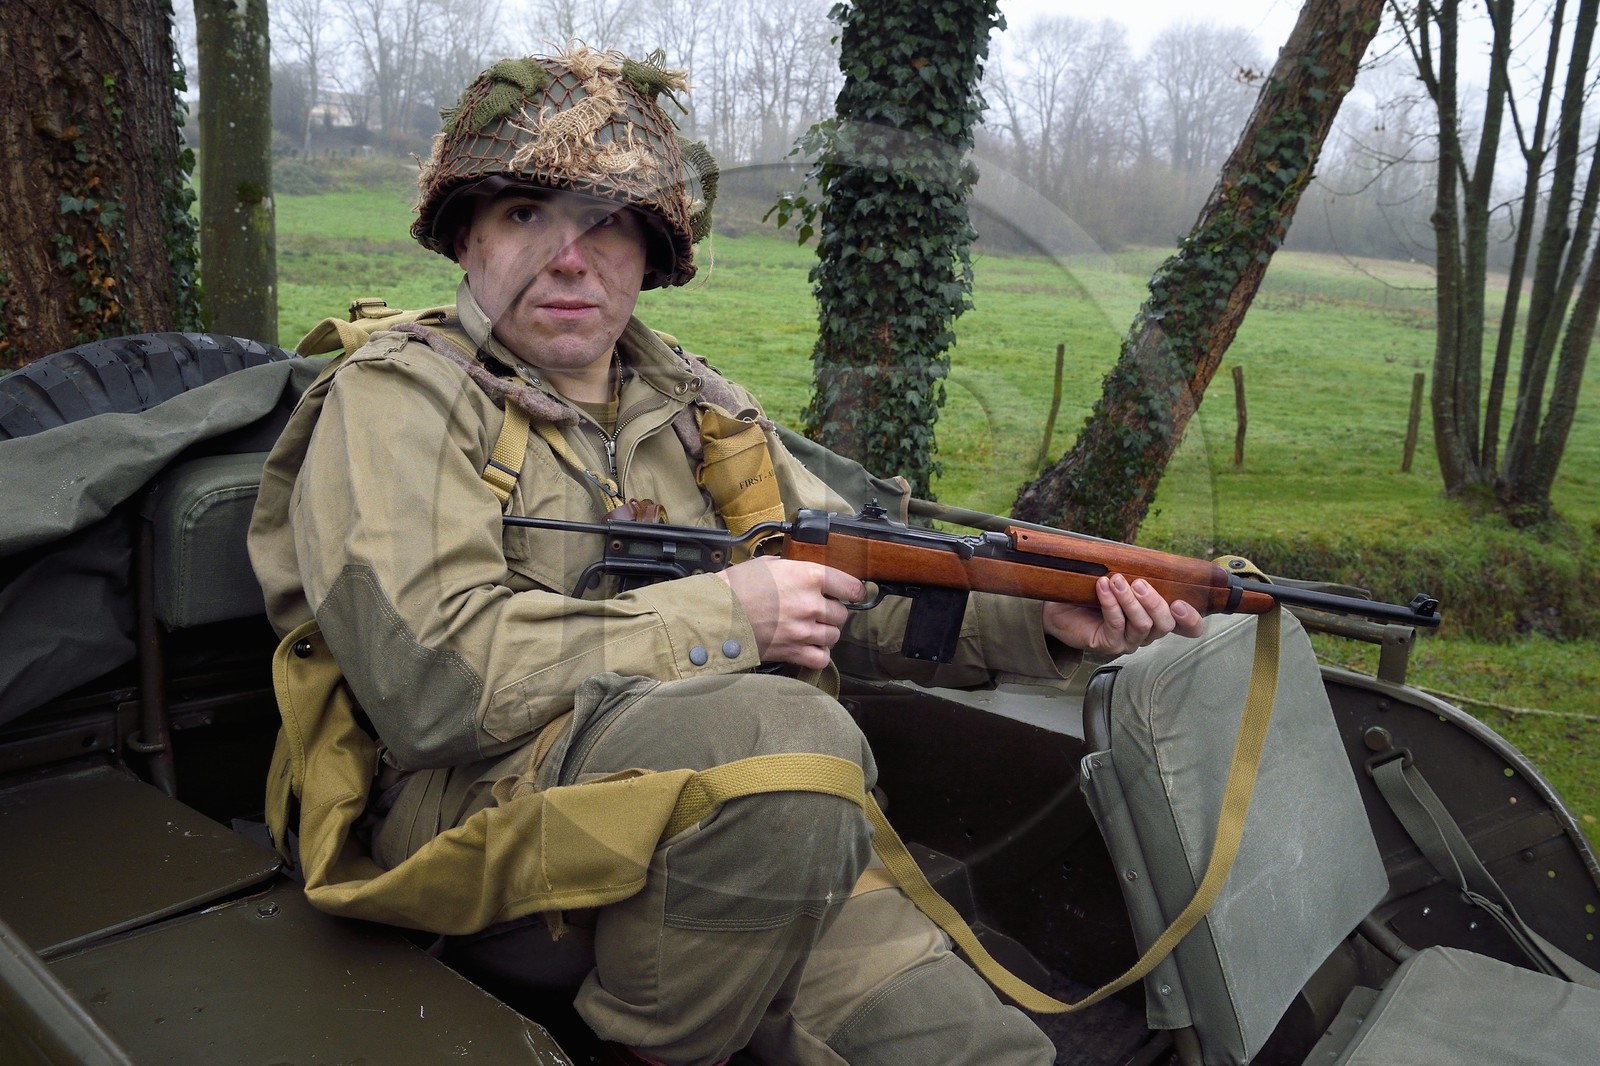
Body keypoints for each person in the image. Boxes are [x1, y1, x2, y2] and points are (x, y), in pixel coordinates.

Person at [249, 46, 1203, 1066]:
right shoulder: (398, 401)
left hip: (752, 818)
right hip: (479, 820)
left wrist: (1033, 615)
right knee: (790, 737)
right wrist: (727, 618)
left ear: (650, 252)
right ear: (468, 241)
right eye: (526, 215)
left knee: (983, 1051)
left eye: (605, 222)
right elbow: (428, 682)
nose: (566, 258)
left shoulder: (698, 408)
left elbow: (857, 577)